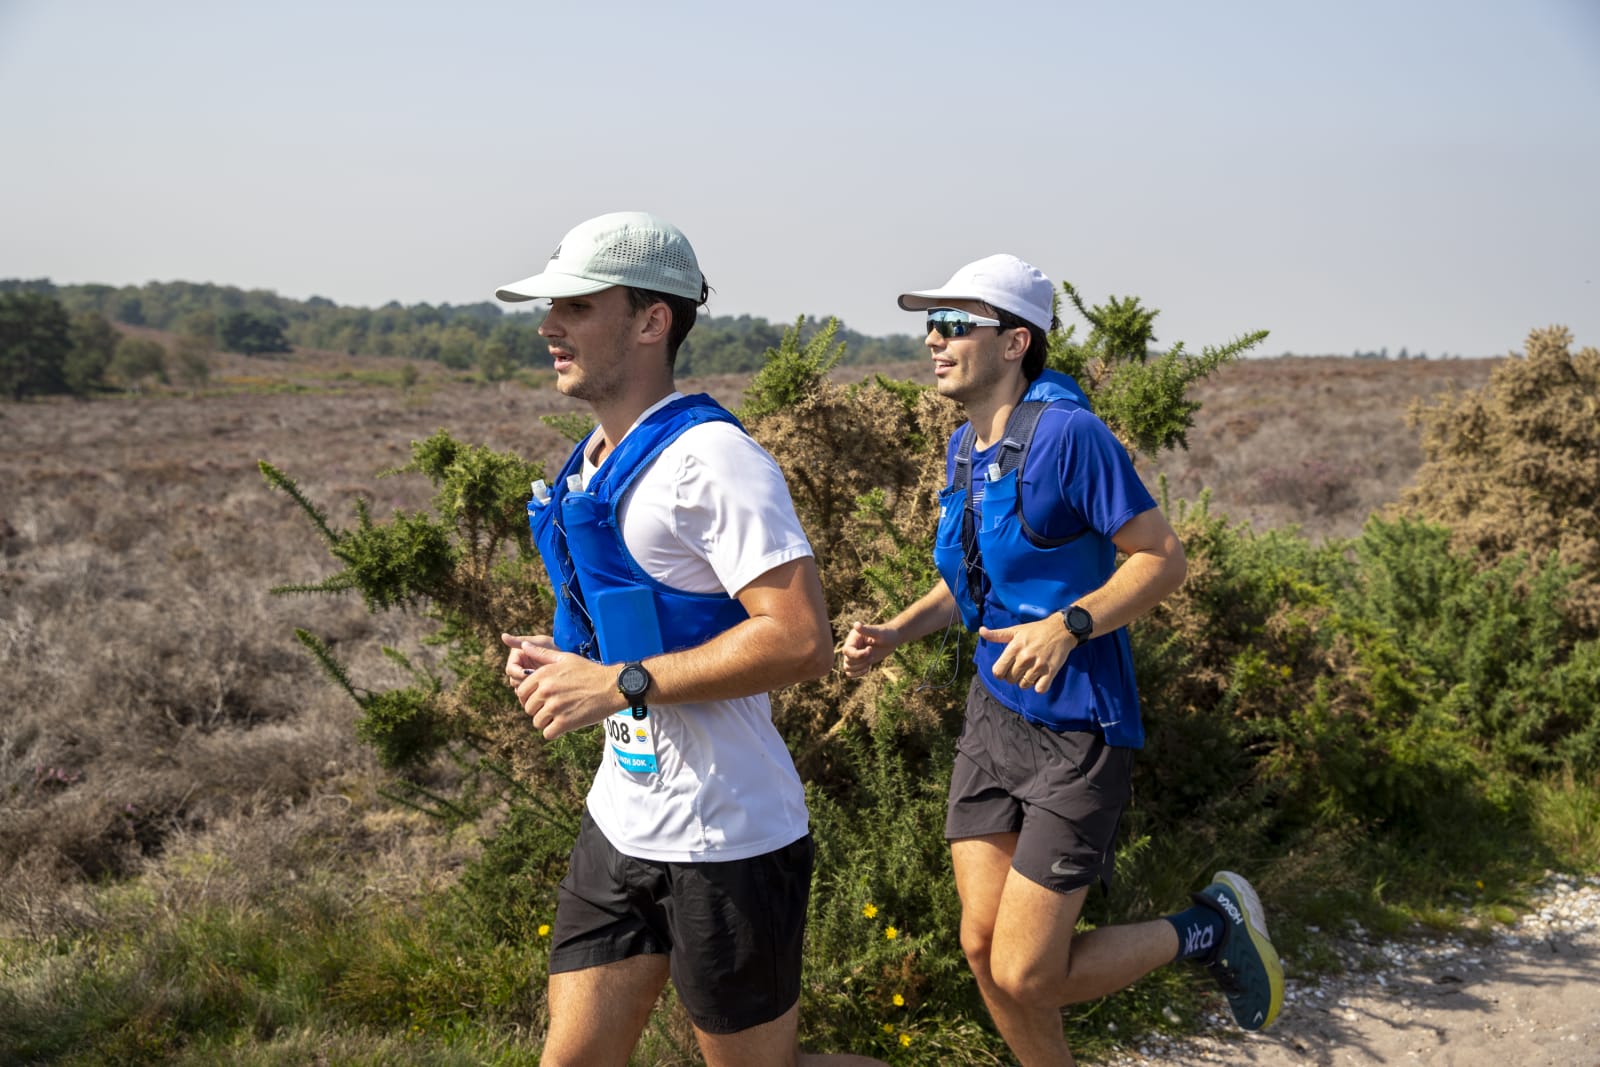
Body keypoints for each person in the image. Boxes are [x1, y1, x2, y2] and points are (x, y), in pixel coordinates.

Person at [841, 254, 1284, 1065]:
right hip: (993, 718)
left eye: (953, 326)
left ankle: (1209, 927)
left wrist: (1070, 624)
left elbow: (1161, 558)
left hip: (1077, 729)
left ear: (1015, 342)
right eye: (929, 327)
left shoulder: (1068, 437)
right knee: (983, 950)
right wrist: (896, 632)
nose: (933, 341)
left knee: (1026, 968)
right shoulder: (965, 447)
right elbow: (971, 580)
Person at [496, 211, 883, 1067]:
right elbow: (649, 627)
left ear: (651, 319)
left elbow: (800, 640)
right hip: (622, 822)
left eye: (576, 305)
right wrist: (575, 665)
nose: (548, 325)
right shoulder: (593, 459)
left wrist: (619, 683)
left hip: (730, 839)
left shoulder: (714, 459)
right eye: (549, 305)